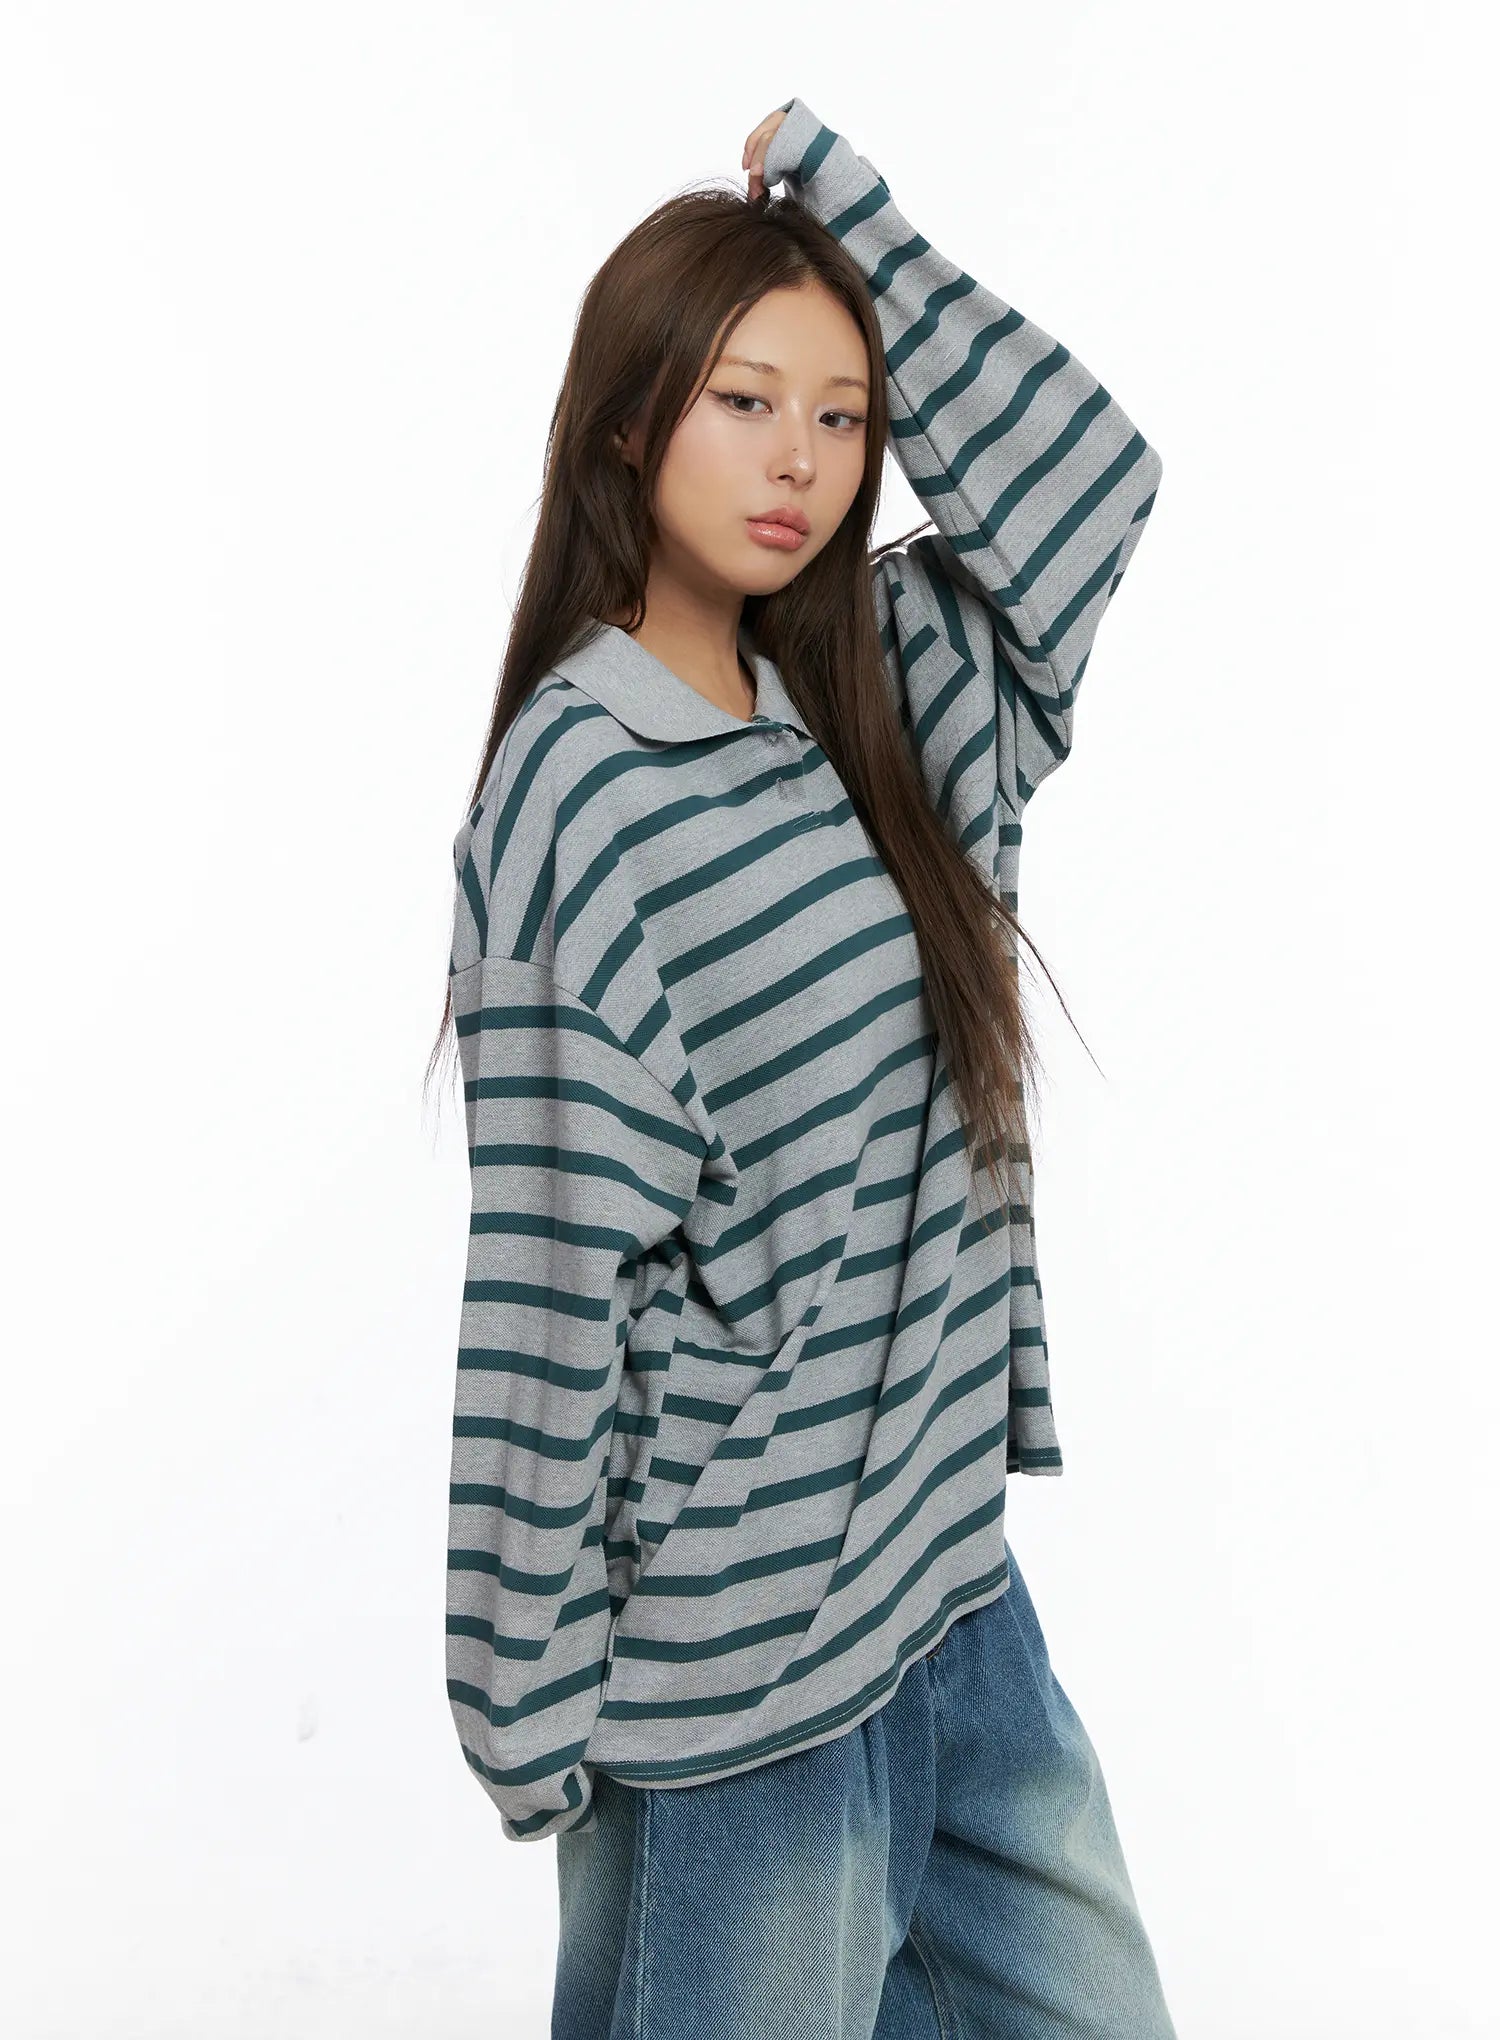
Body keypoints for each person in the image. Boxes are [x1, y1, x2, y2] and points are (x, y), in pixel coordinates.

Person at [431, 93, 1176, 2039]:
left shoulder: (895, 690)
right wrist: (523, 1695)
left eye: (843, 415)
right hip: (739, 1690)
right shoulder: (581, 796)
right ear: (628, 422)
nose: (802, 462)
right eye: (746, 401)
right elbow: (556, 1273)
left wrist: (854, 219)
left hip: (954, 1604)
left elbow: (1094, 479)